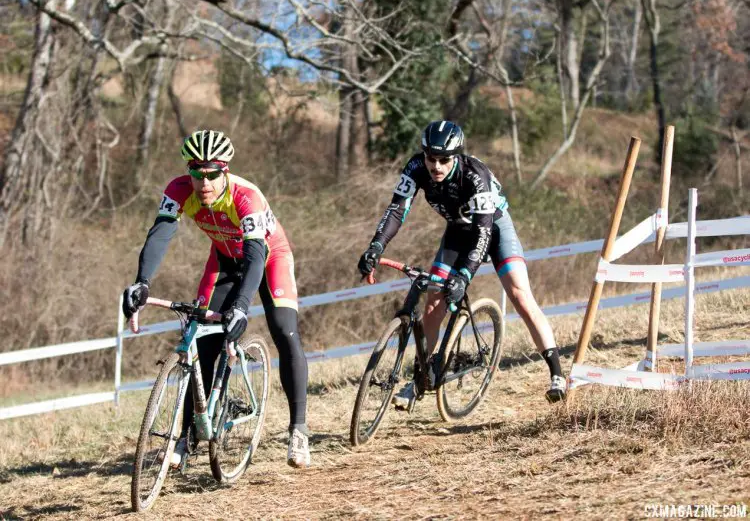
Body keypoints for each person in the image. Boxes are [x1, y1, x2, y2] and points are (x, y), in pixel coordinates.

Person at [122, 130, 310, 468]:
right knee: (201, 342)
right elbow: (161, 233)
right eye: (197, 173)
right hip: (223, 260)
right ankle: (189, 434)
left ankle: (298, 430)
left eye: (212, 174)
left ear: (225, 171)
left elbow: (255, 256)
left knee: (284, 331)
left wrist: (240, 306)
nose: (204, 182)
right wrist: (142, 282)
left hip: (268, 260)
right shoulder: (178, 191)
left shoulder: (245, 197)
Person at [357, 120, 566, 409]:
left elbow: (483, 234)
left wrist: (465, 275)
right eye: (431, 158)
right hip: (458, 231)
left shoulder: (474, 176)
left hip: (493, 229)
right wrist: (376, 245)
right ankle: (422, 377)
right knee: (432, 302)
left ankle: (556, 373)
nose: (436, 166)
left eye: (444, 160)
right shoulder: (416, 168)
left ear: (456, 157)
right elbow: (396, 210)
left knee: (519, 293)